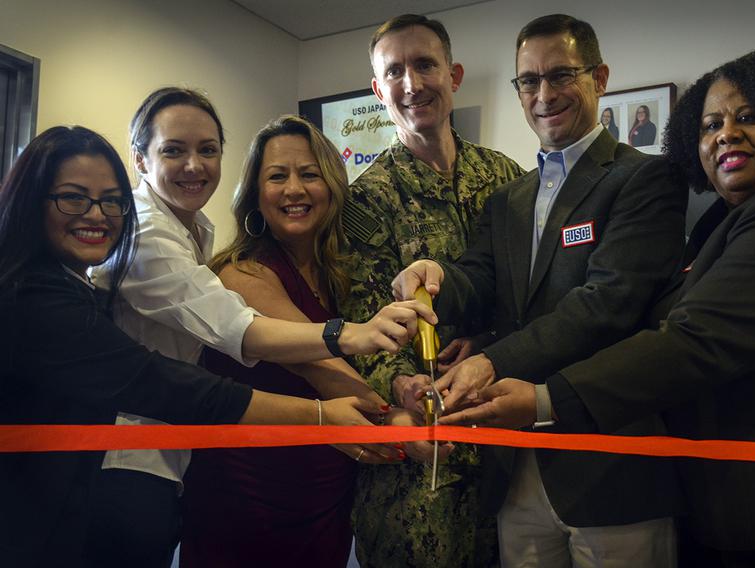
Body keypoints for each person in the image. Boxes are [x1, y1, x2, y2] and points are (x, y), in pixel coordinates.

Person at [440, 48, 755, 567]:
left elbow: (694, 341)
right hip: (743, 515)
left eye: (749, 117)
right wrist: (485, 343)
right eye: (710, 125)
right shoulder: (720, 226)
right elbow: (649, 319)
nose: (726, 134)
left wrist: (545, 399)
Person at [0, 126, 422, 567]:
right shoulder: (33, 297)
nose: (96, 214)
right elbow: (172, 379)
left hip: (321, 487)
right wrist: (369, 404)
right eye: (73, 197)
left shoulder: (340, 271)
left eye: (110, 201)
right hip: (244, 492)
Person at [394, 14, 687, 568]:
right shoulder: (510, 197)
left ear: (599, 78)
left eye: (561, 75)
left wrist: (490, 362)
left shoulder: (644, 179)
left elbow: (606, 305)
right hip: (516, 465)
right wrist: (433, 275)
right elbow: (480, 280)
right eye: (529, 81)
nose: (544, 94)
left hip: (609, 462)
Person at [179, 115, 419, 567]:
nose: (294, 190)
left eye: (309, 174)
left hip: (325, 500)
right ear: (255, 193)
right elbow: (320, 368)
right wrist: (397, 420)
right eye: (277, 176)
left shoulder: (341, 274)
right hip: (250, 503)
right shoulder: (241, 272)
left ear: (332, 185)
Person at [339, 14, 524, 568]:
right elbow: (353, 326)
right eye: (393, 71)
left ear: (454, 74)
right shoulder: (363, 202)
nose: (411, 83)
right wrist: (400, 385)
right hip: (416, 461)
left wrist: (492, 341)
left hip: (503, 438)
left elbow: (531, 298)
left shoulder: (509, 182)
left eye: (425, 64)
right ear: (378, 91)